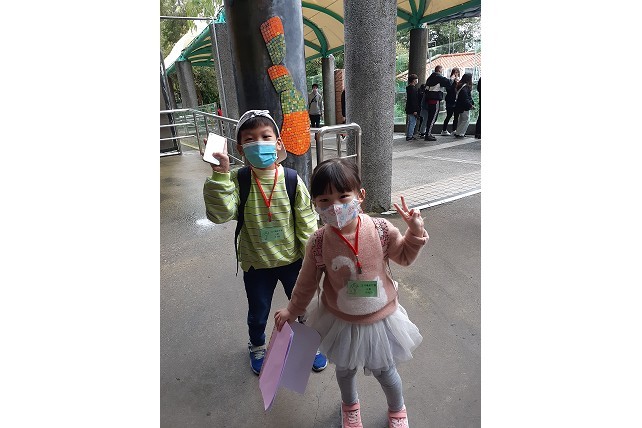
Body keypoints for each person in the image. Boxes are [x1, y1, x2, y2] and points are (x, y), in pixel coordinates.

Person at [274, 158, 428, 428]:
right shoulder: (318, 242)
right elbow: (307, 282)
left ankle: (397, 408)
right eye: (324, 200)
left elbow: (403, 256)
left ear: (360, 195)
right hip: (340, 320)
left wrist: (415, 233)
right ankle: (350, 406)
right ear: (315, 204)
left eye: (343, 196)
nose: (335, 206)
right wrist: (292, 310)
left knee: (386, 371)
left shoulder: (380, 230)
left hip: (380, 319)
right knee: (344, 372)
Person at [203, 109, 328, 375]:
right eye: (249, 139)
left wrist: (314, 261)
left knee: (304, 305)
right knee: (258, 311)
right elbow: (220, 214)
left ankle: (308, 343)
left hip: (293, 261)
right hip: (256, 263)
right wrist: (220, 175)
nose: (258, 143)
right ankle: (258, 345)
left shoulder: (291, 179)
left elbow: (307, 223)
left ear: (278, 143)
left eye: (265, 136)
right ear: (240, 148)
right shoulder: (237, 180)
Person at [422, 65, 452, 141]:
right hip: (435, 100)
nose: (442, 71)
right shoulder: (438, 77)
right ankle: (428, 134)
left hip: (429, 99)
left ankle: (428, 133)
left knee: (430, 118)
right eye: (442, 70)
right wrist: (452, 78)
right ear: (439, 70)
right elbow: (448, 82)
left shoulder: (430, 78)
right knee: (433, 118)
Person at [453, 73, 475, 138]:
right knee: (466, 120)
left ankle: (458, 132)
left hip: (460, 105)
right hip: (464, 106)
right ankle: (460, 133)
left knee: (461, 119)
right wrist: (470, 105)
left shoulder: (460, 85)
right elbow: (466, 98)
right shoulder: (465, 87)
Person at [441, 67, 461, 136]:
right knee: (449, 115)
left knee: (456, 116)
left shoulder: (459, 81)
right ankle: (444, 130)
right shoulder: (450, 81)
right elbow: (449, 89)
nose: (456, 74)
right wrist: (452, 80)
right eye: (454, 73)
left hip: (456, 101)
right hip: (450, 100)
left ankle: (454, 130)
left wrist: (458, 82)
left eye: (457, 73)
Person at [404, 74, 420, 141]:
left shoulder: (409, 88)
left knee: (410, 122)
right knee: (412, 122)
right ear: (414, 80)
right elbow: (414, 100)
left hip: (409, 108)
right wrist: (415, 110)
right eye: (416, 79)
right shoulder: (413, 89)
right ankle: (409, 136)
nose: (417, 80)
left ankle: (408, 135)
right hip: (412, 109)